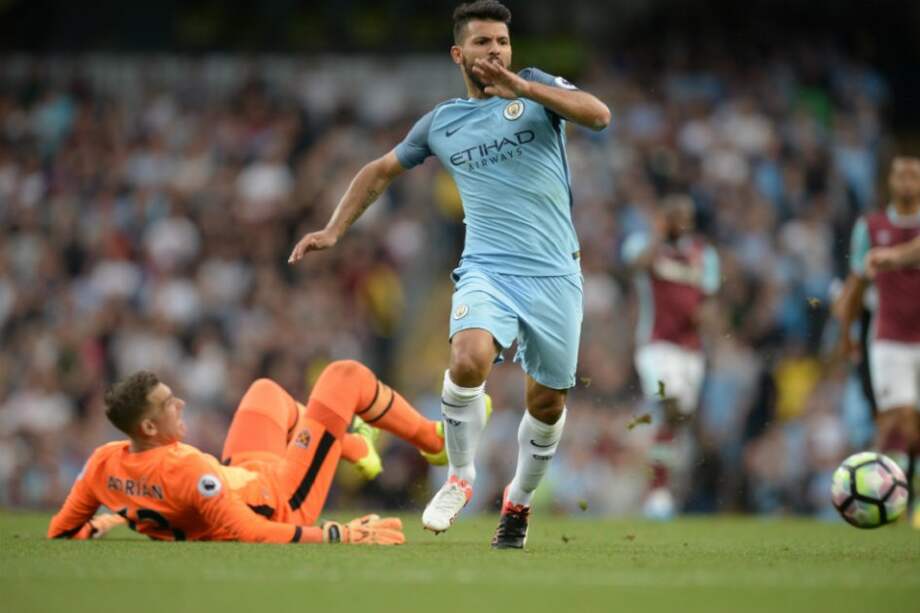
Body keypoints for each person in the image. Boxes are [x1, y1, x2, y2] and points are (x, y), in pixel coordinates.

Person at [288, 0, 610, 548]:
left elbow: (599, 115)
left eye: (503, 42)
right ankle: (460, 476)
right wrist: (335, 229)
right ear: (459, 54)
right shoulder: (442, 123)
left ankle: (519, 504)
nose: (497, 51)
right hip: (487, 267)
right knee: (468, 358)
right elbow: (379, 170)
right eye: (484, 43)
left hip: (555, 273)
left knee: (547, 402)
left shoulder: (535, 89)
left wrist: (525, 89)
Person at [48, 360, 447, 544]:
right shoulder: (185, 468)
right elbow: (253, 532)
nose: (180, 403)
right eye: (168, 404)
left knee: (265, 392)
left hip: (245, 476)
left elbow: (61, 530)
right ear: (149, 427)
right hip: (282, 498)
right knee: (344, 378)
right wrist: (338, 534)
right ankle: (433, 442)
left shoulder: (103, 462)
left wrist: (103, 524)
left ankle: (349, 441)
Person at [621, 195, 720, 519]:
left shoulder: (704, 254)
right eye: (672, 215)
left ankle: (662, 490)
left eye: (684, 215)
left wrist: (711, 329)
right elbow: (634, 265)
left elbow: (707, 300)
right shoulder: (645, 245)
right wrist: (659, 235)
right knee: (672, 405)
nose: (680, 220)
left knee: (678, 421)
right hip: (656, 345)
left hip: (691, 350)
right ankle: (658, 492)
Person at [834, 156, 920, 529]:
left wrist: (891, 257)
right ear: (889, 181)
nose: (906, 181)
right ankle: (899, 506)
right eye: (899, 174)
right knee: (898, 419)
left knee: (909, 423)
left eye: (914, 175)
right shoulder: (870, 226)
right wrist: (846, 333)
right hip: (889, 339)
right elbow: (856, 284)